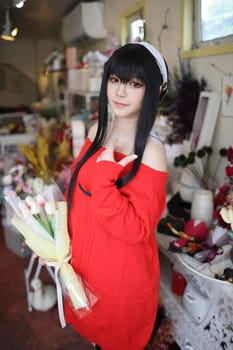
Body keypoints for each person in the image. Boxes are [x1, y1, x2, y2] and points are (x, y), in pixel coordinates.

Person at [65, 41, 168, 350]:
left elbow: (137, 228)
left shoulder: (151, 151)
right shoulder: (97, 130)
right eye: (115, 80)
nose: (120, 92)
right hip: (86, 269)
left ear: (153, 91)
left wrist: (103, 180)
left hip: (121, 281)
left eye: (134, 84)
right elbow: (79, 198)